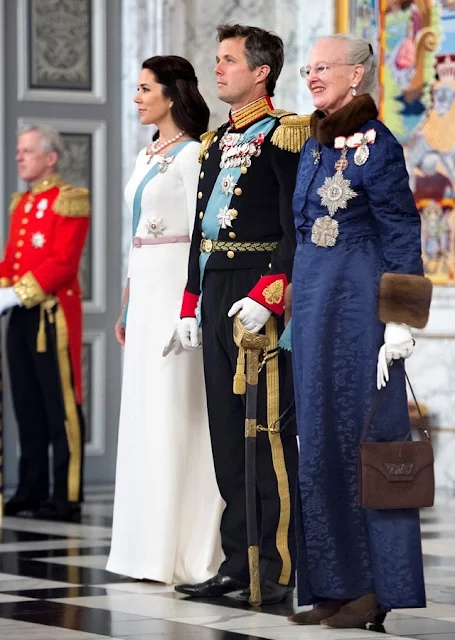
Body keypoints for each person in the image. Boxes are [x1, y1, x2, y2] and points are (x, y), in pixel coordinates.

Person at [288, 34, 432, 629]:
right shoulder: (313, 142)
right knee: (318, 443)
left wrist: (399, 317)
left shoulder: (382, 146)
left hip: (361, 309)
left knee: (366, 443)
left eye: (323, 67)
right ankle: (333, 584)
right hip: (316, 308)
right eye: (308, 68)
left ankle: (378, 588)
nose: (313, 76)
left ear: (356, 75)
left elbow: (401, 229)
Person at [176, 24, 310, 605]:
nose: (219, 69)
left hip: (260, 300)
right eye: (218, 59)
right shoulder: (211, 143)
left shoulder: (286, 135)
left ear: (261, 72)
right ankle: (238, 562)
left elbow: (294, 225)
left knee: (268, 436)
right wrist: (189, 301)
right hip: (216, 294)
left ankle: (277, 570)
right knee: (228, 438)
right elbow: (199, 235)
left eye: (230, 60)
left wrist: (271, 293)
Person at [106, 55, 224, 584]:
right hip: (146, 289)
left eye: (144, 88)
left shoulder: (195, 155)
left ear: (171, 97)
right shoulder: (143, 154)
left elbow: (205, 236)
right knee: (146, 414)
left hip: (180, 289)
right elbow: (136, 235)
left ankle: (186, 548)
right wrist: (128, 301)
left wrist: (192, 303)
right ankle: (143, 548)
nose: (136, 97)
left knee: (180, 412)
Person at [0, 125, 90, 521]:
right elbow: (12, 259)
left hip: (52, 315)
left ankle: (65, 494)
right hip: (20, 315)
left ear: (50, 157)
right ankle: (31, 489)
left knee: (61, 406)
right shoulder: (22, 204)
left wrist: (14, 293)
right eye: (19, 151)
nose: (19, 157)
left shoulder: (69, 201)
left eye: (27, 151)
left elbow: (62, 263)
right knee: (27, 404)